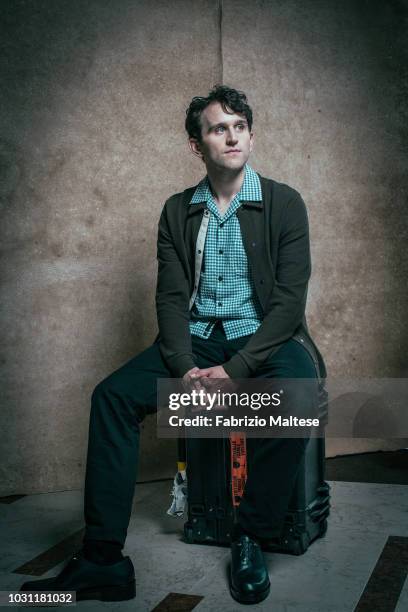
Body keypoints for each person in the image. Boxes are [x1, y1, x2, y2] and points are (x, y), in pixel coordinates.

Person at [21, 85, 326, 605]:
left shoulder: (284, 203)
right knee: (112, 397)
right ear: (196, 144)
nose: (230, 136)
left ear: (250, 136)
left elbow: (289, 305)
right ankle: (103, 561)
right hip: (200, 341)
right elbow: (170, 298)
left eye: (238, 127)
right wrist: (184, 366)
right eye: (216, 128)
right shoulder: (178, 211)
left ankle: (250, 535)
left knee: (298, 395)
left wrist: (238, 368)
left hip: (264, 341)